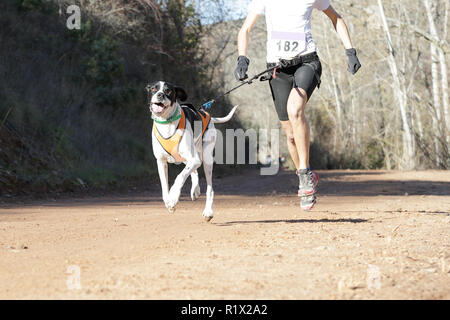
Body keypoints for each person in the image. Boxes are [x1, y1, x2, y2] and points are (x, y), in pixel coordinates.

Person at [234, 0, 361, 210]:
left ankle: (304, 176)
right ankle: (306, 172)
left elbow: (335, 18)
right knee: (290, 133)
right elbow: (245, 28)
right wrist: (242, 58)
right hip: (277, 69)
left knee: (295, 110)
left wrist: (350, 51)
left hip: (307, 62)